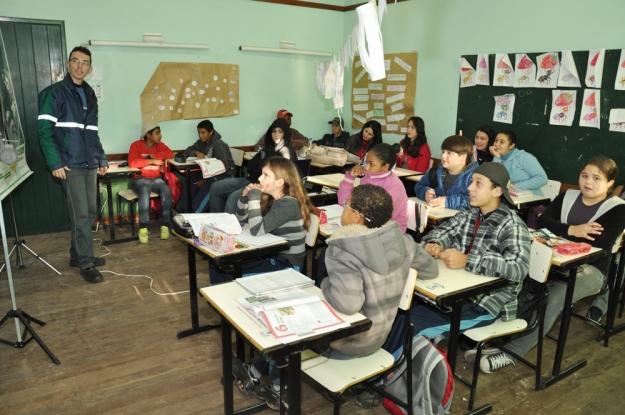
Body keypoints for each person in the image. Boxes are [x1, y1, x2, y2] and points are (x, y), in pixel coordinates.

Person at [237, 184, 438, 410]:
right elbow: (431, 269)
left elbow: (347, 304)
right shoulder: (403, 241)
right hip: (378, 339)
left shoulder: (343, 250)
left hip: (345, 343)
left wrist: (324, 284)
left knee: (286, 322)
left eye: (346, 205)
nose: (343, 209)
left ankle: (273, 385)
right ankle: (255, 372)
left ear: (357, 217)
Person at [468, 156, 625, 374]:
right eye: (584, 176)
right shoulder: (568, 196)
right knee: (518, 284)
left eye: (597, 178)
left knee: (552, 298)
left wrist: (561, 228)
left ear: (609, 184)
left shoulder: (617, 208)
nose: (588, 182)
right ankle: (496, 340)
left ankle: (513, 352)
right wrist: (573, 230)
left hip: (592, 269)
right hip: (553, 262)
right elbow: (542, 221)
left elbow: (602, 241)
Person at [415, 163, 531, 340]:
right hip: (458, 291)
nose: (469, 187)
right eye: (471, 182)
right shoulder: (471, 212)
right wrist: (435, 243)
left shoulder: (511, 224)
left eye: (478, 183)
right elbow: (445, 231)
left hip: (486, 304)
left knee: (414, 323)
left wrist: (467, 260)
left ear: (497, 191)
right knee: (410, 309)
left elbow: (518, 267)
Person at [38, 46, 108, 284]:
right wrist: (54, 162)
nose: (80, 66)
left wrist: (102, 158)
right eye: (75, 61)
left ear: (89, 68)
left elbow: (93, 132)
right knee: (80, 215)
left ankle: (77, 256)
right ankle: (86, 263)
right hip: (69, 165)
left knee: (88, 212)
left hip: (89, 163)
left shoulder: (89, 94)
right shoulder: (54, 93)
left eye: (85, 62)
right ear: (68, 65)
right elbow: (44, 132)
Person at [214, 157, 315, 284]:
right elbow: (241, 220)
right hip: (271, 255)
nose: (260, 179)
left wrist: (254, 197)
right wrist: (245, 198)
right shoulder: (271, 199)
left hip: (287, 263)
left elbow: (257, 230)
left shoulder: (288, 204)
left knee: (228, 271)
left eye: (265, 175)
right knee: (219, 265)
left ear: (279, 183)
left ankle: (231, 299)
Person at [209, 118, 297, 214]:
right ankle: (218, 222)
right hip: (250, 179)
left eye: (280, 132)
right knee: (215, 187)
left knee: (233, 198)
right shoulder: (269, 147)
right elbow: (250, 165)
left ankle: (231, 227)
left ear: (286, 133)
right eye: (274, 131)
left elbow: (277, 176)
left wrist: (259, 167)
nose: (276, 135)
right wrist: (259, 167)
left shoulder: (286, 152)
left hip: (263, 185)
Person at [338, 143, 408, 231]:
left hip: (389, 233)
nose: (366, 168)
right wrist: (350, 178)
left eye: (371, 164)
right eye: (366, 162)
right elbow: (344, 203)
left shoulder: (394, 186)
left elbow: (381, 219)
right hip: (364, 226)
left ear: (385, 167)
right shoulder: (366, 179)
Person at [128, 122, 174, 244]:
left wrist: (153, 155)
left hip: (156, 178)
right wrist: (152, 161)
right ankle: (143, 227)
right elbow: (132, 163)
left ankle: (165, 224)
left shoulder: (160, 146)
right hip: (140, 178)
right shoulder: (136, 145)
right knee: (144, 189)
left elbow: (170, 154)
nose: (160, 135)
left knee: (166, 190)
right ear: (148, 134)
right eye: (157, 133)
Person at [180, 119, 235, 213]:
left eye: (203, 132)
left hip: (224, 175)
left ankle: (193, 214)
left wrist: (205, 180)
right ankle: (185, 211)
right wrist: (196, 152)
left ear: (211, 132)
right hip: (210, 173)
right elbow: (187, 151)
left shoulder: (219, 144)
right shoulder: (202, 142)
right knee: (191, 179)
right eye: (199, 132)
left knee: (206, 188)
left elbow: (224, 167)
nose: (200, 135)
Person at [414, 135, 478, 210]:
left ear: (463, 157)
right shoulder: (435, 171)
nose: (443, 156)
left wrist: (448, 202)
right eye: (443, 152)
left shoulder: (475, 177)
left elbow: (477, 201)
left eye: (449, 153)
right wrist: (425, 193)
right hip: (435, 215)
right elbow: (418, 186)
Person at [490, 130, 548, 195]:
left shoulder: (524, 157)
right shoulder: (498, 157)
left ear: (511, 145)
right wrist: (496, 157)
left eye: (502, 142)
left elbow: (542, 179)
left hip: (531, 200)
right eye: (496, 140)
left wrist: (516, 186)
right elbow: (494, 179)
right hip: (510, 198)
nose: (497, 144)